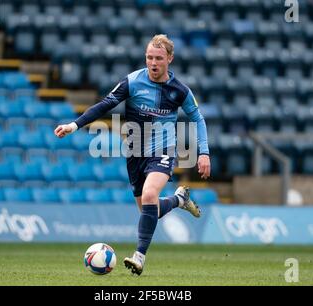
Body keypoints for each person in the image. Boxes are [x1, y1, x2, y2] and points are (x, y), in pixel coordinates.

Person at [54, 34, 211, 276]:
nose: (153, 63)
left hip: (164, 150)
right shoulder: (133, 81)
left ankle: (139, 257)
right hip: (135, 151)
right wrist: (74, 125)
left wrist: (203, 153)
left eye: (159, 58)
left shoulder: (180, 91)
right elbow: (104, 105)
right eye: (149, 57)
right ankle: (179, 200)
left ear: (170, 58)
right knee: (151, 210)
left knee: (150, 194)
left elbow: (197, 118)